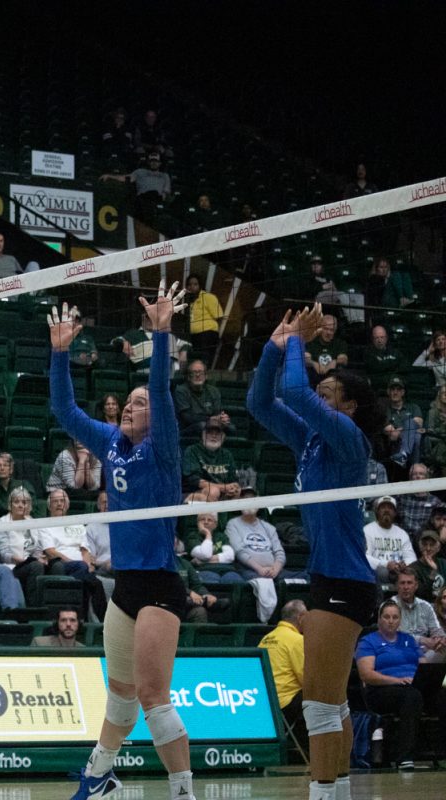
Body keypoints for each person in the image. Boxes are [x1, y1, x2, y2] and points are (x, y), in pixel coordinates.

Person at [49, 285, 197, 800]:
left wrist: (160, 336)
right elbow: (65, 411)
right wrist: (61, 353)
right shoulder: (112, 443)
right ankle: (99, 773)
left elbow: (158, 390)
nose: (132, 407)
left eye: (141, 403)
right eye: (127, 403)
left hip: (160, 584)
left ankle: (182, 789)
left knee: (155, 695)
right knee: (120, 696)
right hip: (125, 587)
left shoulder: (163, 448)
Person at [247, 302, 382, 800]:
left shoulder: (349, 439)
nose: (316, 402)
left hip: (345, 581)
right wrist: (273, 347)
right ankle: (340, 792)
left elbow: (293, 391)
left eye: (328, 395)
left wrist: (300, 343)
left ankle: (323, 793)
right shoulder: (311, 440)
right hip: (329, 576)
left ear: (346, 407)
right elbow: (261, 403)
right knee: (335, 706)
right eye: (318, 394)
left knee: (320, 706)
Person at [354, 600, 424, 770]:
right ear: (379, 619)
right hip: (381, 691)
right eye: (386, 617)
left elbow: (422, 662)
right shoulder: (368, 642)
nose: (391, 621)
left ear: (400, 620)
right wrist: (397, 681)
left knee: (441, 696)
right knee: (411, 696)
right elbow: (366, 674)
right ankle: (404, 757)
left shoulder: (408, 640)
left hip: (412, 686)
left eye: (395, 617)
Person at [226, 489, 297, 622]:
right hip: (248, 570)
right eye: (245, 499)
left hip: (274, 571)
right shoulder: (233, 524)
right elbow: (240, 551)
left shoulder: (268, 527)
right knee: (262, 583)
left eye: (252, 500)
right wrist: (259, 569)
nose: (248, 503)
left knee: (304, 578)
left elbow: (279, 552)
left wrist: (275, 569)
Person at [42, 489, 109, 620]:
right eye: (55, 501)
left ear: (67, 505)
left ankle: (101, 621)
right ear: (49, 506)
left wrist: (88, 564)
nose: (59, 504)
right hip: (60, 564)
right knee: (92, 581)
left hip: (80, 568)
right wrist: (78, 563)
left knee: (93, 583)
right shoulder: (44, 525)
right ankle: (91, 618)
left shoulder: (77, 524)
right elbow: (50, 551)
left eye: (62, 501)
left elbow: (85, 550)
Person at [259, 600, 308, 749]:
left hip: (264, 704)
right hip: (285, 705)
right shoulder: (298, 640)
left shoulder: (265, 639)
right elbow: (306, 678)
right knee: (321, 696)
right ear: (301, 617)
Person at [392, 568, 446, 661]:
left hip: (425, 652)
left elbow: (437, 630)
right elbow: (394, 637)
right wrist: (423, 640)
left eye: (409, 583)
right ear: (397, 586)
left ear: (416, 586)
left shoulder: (426, 606)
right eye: (402, 583)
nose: (406, 587)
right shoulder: (389, 606)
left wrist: (440, 640)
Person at [181, 419, 240, 502]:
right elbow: (194, 480)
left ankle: (225, 515)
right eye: (210, 432)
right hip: (194, 493)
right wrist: (223, 487)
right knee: (213, 492)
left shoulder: (227, 454)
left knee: (238, 492)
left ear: (223, 437)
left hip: (222, 491)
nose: (214, 436)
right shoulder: (192, 450)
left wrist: (234, 487)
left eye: (217, 433)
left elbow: (234, 479)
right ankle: (209, 515)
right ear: (203, 435)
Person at [364, 495, 415, 583]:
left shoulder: (402, 533)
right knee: (382, 572)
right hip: (378, 571)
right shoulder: (367, 530)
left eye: (390, 508)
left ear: (395, 513)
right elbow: (365, 557)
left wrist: (404, 564)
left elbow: (412, 558)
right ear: (377, 512)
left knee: (411, 572)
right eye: (383, 507)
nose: (386, 510)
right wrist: (386, 564)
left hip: (399, 571)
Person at [173, 359, 230, 436]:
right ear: (188, 377)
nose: (197, 375)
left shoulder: (214, 391)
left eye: (201, 372)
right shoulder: (181, 390)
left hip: (211, 424)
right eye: (194, 372)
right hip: (189, 428)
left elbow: (217, 413)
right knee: (202, 426)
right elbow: (187, 417)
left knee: (230, 428)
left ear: (206, 376)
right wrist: (210, 419)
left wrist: (222, 418)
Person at [412, 528, 446, 601]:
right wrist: (433, 571)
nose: (428, 548)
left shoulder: (444, 563)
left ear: (438, 548)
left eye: (432, 545)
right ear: (420, 547)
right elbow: (423, 594)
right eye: (425, 544)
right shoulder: (413, 568)